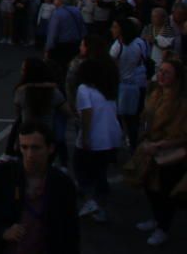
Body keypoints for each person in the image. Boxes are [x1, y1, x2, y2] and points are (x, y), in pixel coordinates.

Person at [0, 120, 79, 254]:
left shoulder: (63, 185)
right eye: (24, 147)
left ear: (50, 148)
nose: (29, 155)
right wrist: (1, 231)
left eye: (36, 147)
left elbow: (71, 234)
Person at [124, 58, 187, 247]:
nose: (161, 75)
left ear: (177, 78)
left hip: (169, 153)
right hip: (149, 147)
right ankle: (156, 219)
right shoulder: (155, 94)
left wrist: (159, 145)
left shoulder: (182, 102)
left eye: (167, 73)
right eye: (160, 71)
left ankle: (163, 227)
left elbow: (182, 134)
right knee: (149, 187)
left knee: (165, 191)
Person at [72, 56, 122, 222]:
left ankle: (90, 201)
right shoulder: (106, 89)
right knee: (100, 173)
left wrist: (85, 137)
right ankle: (100, 207)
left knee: (81, 169)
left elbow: (87, 113)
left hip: (94, 138)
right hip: (109, 137)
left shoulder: (83, 89)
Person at [110, 17, 149, 149]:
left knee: (120, 118)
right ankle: (133, 145)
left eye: (114, 27)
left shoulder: (117, 46)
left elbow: (112, 68)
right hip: (138, 84)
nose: (112, 30)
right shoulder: (140, 43)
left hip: (122, 86)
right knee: (133, 119)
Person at [45, 0, 86, 70]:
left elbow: (52, 33)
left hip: (62, 45)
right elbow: (82, 28)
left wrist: (48, 48)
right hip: (75, 43)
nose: (54, 0)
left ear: (60, 1)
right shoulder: (76, 10)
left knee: (60, 67)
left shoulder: (57, 14)